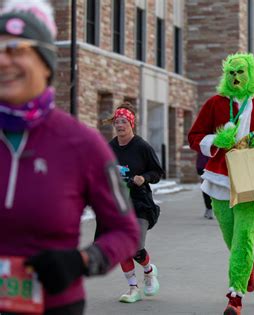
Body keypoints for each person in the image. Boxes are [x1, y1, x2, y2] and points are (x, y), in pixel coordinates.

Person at [0, 1, 139, 314]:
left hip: (54, 304)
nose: (2, 60)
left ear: (46, 62)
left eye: (14, 48)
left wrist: (82, 260)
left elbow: (126, 231)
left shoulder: (82, 144)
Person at [188, 52, 254, 315]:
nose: (235, 77)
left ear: (250, 73)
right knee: (233, 240)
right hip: (220, 180)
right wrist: (215, 140)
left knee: (243, 238)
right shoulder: (215, 103)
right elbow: (194, 136)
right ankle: (250, 262)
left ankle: (235, 296)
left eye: (240, 72)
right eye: (231, 72)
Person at [105, 103, 165, 303]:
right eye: (117, 122)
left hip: (140, 203)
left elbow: (158, 172)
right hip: (118, 204)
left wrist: (144, 178)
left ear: (131, 123)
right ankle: (133, 288)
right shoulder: (110, 147)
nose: (120, 125)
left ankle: (148, 271)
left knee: (135, 246)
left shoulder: (142, 147)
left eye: (123, 121)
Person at [196, 152, 213, 219]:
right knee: (206, 190)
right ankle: (209, 208)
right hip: (204, 169)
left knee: (210, 190)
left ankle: (210, 209)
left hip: (214, 169)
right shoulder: (204, 145)